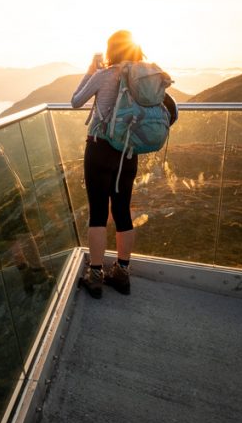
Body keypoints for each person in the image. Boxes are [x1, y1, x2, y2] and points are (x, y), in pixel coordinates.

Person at [70, 29, 173, 298]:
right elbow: (171, 112)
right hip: (128, 151)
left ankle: (95, 275)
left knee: (98, 213)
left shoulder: (105, 74)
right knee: (123, 209)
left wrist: (91, 70)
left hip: (100, 148)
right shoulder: (146, 78)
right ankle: (122, 273)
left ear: (111, 50)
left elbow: (75, 101)